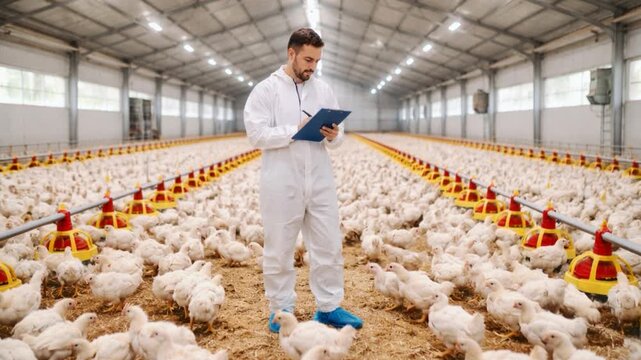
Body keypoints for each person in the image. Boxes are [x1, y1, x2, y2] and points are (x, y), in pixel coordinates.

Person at [243, 28, 363, 333]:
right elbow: (256, 134)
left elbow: (338, 137)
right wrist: (294, 130)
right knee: (279, 248)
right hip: (282, 181)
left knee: (328, 245)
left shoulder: (322, 89)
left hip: (320, 179)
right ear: (291, 53)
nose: (312, 66)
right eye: (308, 59)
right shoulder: (265, 91)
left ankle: (329, 307)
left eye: (317, 61)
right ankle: (281, 309)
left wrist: (334, 135)